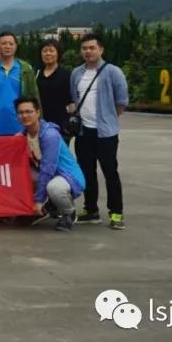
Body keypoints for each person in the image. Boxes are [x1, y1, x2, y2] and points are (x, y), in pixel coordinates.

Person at [70, 34, 129, 230]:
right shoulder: (76, 73)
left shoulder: (113, 72)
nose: (88, 51)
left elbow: (122, 101)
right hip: (83, 133)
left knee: (110, 172)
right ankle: (91, 210)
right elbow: (74, 98)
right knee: (87, 172)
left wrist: (108, 119)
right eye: (84, 48)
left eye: (92, 48)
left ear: (101, 50)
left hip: (106, 133)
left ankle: (116, 212)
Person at [16, 96, 86, 232]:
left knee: (54, 188)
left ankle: (68, 213)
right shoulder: (23, 134)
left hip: (68, 176)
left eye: (28, 111)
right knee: (18, 175)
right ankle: (47, 207)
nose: (24, 115)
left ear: (37, 112)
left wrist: (38, 200)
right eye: (21, 112)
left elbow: (48, 169)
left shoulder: (50, 135)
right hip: (48, 174)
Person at [0, 32, 40, 137]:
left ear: (16, 47)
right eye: (4, 43)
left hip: (21, 126)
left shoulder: (25, 69)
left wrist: (37, 121)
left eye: (11, 44)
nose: (7, 46)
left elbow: (34, 96)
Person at [36, 40, 74, 142]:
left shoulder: (66, 74)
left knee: (58, 150)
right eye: (45, 51)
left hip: (60, 123)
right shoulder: (36, 73)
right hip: (40, 121)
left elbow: (71, 100)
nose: (48, 53)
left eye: (51, 51)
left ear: (58, 54)